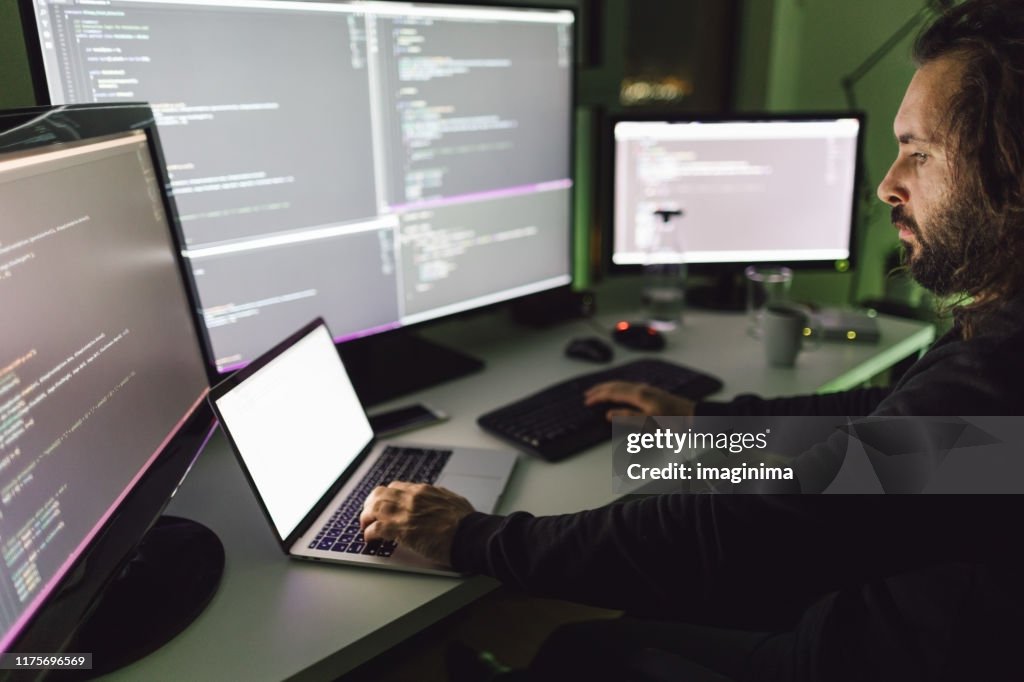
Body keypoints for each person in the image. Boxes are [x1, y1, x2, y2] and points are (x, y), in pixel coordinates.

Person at [360, 2, 1024, 679]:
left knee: (582, 649)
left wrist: (478, 540)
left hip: (866, 655)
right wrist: (700, 426)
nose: (888, 184)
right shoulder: (999, 341)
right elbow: (872, 436)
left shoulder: (1001, 380)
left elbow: (753, 533)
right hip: (877, 619)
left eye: (919, 153)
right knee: (595, 635)